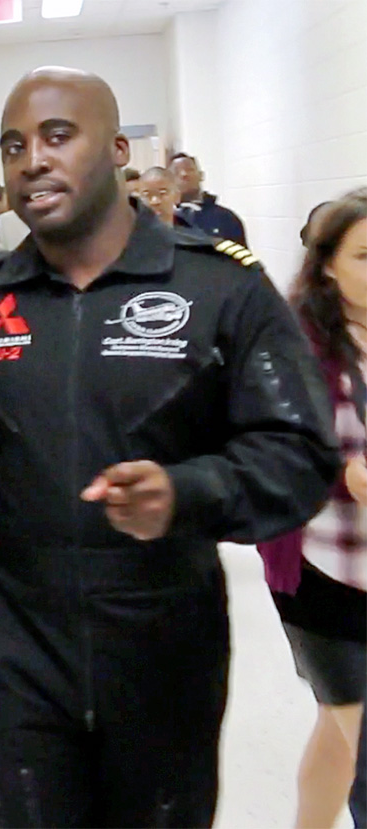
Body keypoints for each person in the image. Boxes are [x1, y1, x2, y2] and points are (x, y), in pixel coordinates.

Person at [0, 66, 340, 828]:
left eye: (59, 136)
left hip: (166, 645)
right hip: (22, 647)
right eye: (14, 145)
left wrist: (188, 492)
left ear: (119, 149)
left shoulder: (218, 291)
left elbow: (299, 454)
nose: (32, 159)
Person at [258, 189, 366, 829]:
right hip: (321, 569)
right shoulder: (296, 338)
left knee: (340, 722)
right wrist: (340, 474)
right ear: (327, 263)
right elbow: (266, 443)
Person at [170, 152, 248, 244]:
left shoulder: (226, 218)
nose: (184, 174)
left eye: (189, 169)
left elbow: (241, 256)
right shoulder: (163, 220)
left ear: (201, 176)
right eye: (176, 172)